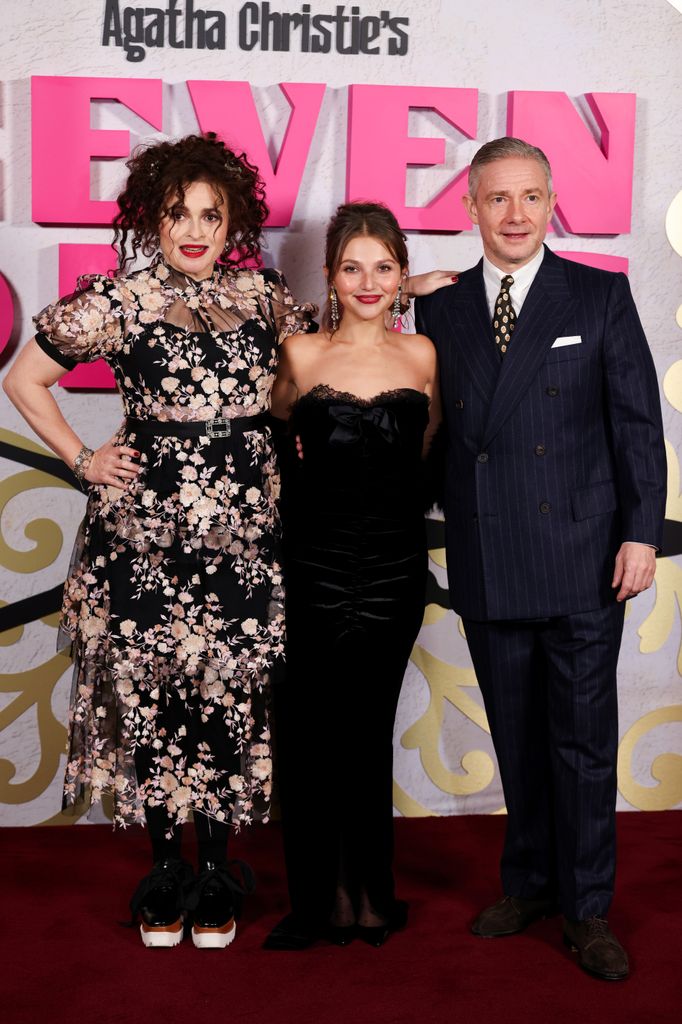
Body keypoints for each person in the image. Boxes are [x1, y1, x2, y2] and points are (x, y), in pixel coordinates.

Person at [3, 133, 316, 949]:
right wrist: (83, 460)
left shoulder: (266, 297)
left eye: (212, 215)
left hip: (243, 533)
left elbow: (325, 365)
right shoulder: (116, 300)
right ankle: (166, 872)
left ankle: (215, 872)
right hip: (144, 536)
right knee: (151, 698)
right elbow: (23, 379)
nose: (196, 230)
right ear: (152, 219)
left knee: (223, 696)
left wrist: (404, 291)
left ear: (233, 222)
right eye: (179, 213)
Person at [415, 137, 666, 981]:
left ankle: (587, 907)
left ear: (553, 202)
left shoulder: (597, 294)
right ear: (470, 207)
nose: (515, 214)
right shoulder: (442, 308)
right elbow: (435, 432)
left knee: (583, 744)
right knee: (517, 734)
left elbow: (637, 424)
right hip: (490, 550)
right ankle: (528, 883)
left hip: (587, 557)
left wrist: (641, 533)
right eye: (497, 198)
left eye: (530, 197)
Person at [263, 202, 443, 949]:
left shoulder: (423, 354)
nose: (368, 282)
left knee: (368, 734)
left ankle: (370, 896)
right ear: (330, 277)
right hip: (313, 567)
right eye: (351, 267)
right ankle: (318, 902)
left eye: (384, 267)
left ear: (401, 275)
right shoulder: (299, 354)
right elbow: (273, 444)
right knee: (311, 736)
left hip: (396, 572)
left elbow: (427, 453)